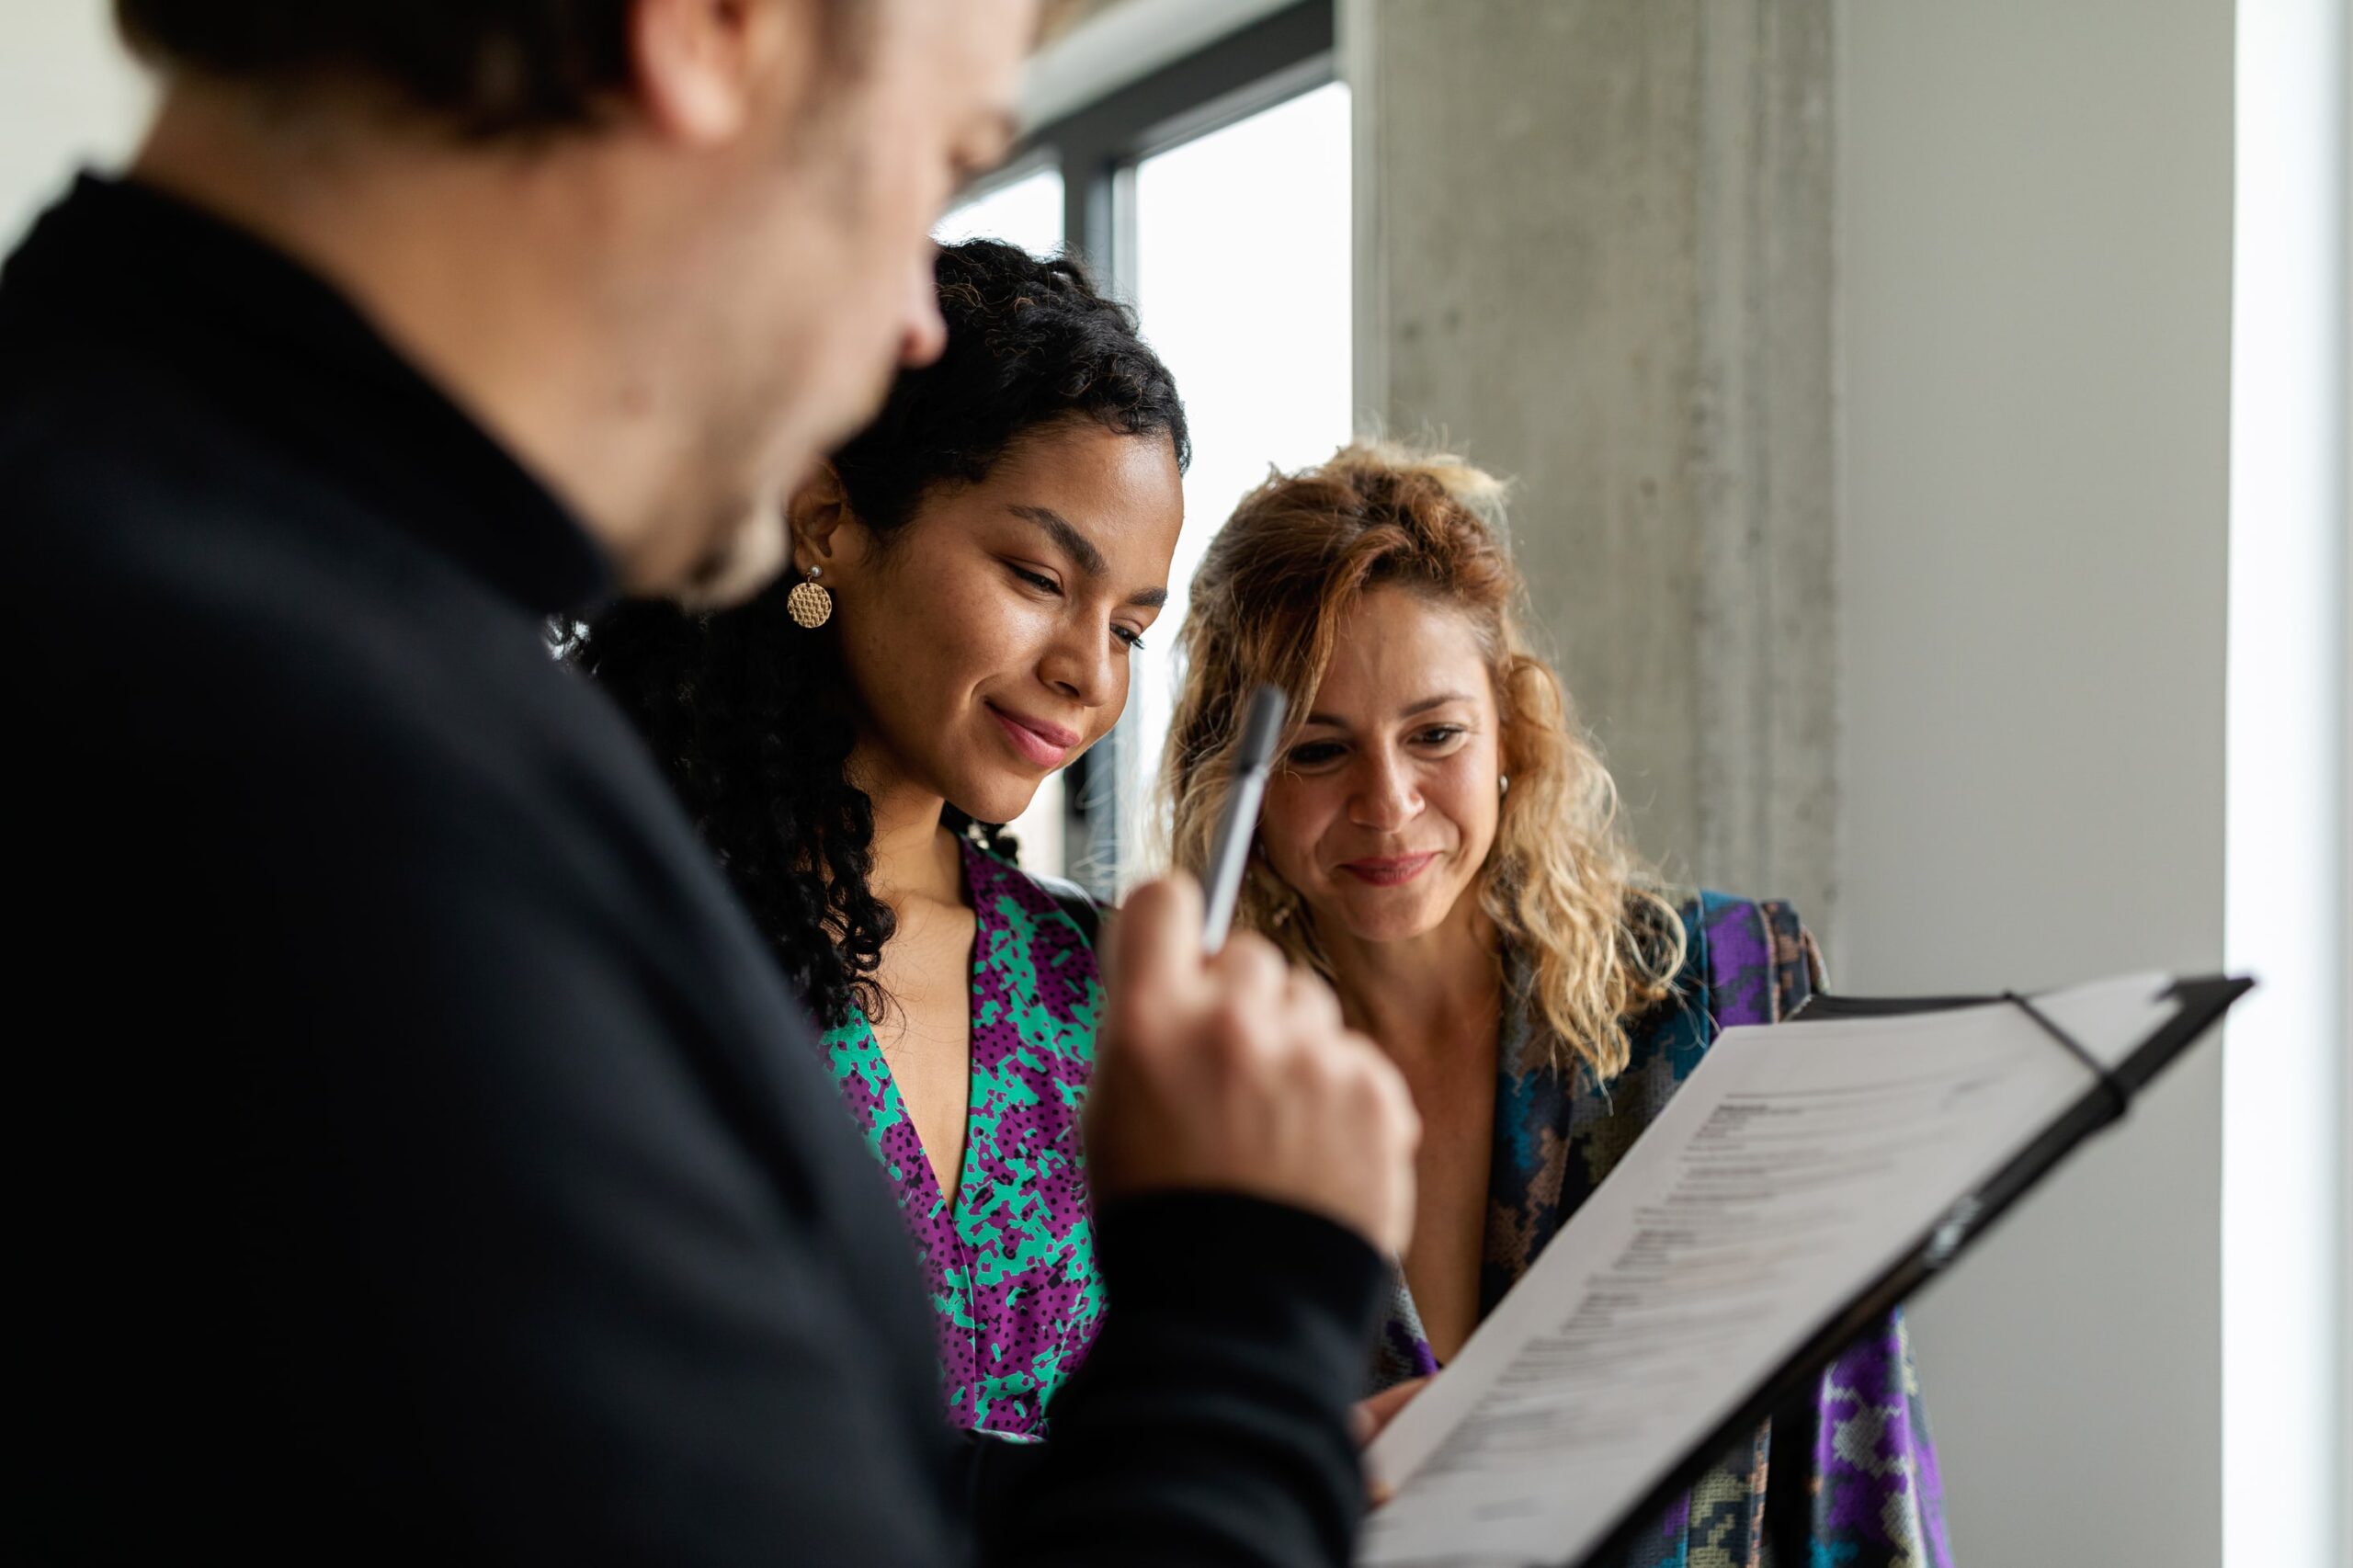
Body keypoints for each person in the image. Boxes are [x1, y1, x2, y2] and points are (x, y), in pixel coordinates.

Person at [2, 4, 1419, 1563]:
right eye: (934, 168)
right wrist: (1250, 1301)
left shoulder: (190, 577)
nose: (907, 326)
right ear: (710, 31)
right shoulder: (322, 774)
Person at [1163, 442, 1952, 1568]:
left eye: (1434, 734)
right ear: (1231, 779)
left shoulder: (1729, 993)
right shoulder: (1202, 1083)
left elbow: (1852, 1444)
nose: (1387, 804)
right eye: (1318, 750)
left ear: (1510, 737)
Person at [563, 237, 1185, 1439]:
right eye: (1038, 575)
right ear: (829, 518)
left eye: (1130, 629)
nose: (1085, 673)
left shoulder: (1093, 985)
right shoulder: (619, 935)